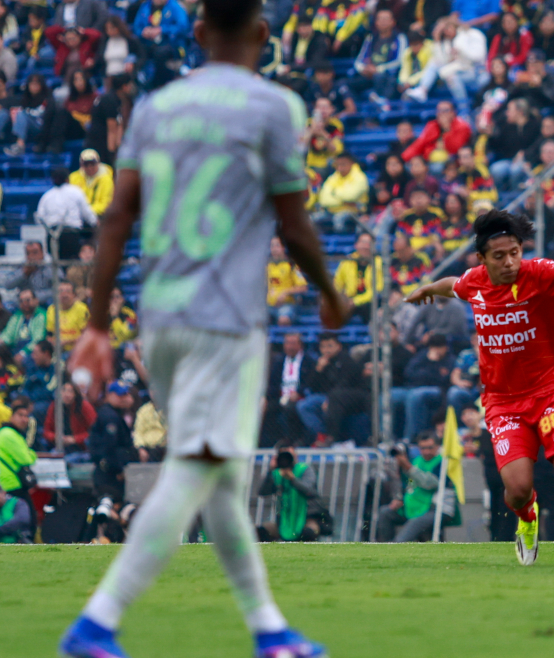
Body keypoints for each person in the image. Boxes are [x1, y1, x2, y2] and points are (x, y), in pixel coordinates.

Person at [62, 2, 349, 655]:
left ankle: (269, 630)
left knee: (220, 473)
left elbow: (115, 220)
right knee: (200, 467)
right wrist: (329, 290)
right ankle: (96, 621)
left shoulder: (156, 108)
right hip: (225, 319)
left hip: (159, 318)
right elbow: (293, 220)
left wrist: (99, 324)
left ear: (195, 33)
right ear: (263, 33)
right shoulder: (272, 106)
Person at [406, 206, 554, 568]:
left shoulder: (538, 273)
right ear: (482, 259)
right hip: (503, 402)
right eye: (499, 256)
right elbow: (453, 284)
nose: (510, 261)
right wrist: (427, 289)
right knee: (517, 490)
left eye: (515, 252)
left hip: (550, 392)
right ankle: (528, 519)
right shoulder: (474, 282)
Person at [376, 431, 459, 542]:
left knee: (414, 524)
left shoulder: (443, 462)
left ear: (438, 447)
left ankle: (395, 547)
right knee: (385, 512)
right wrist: (400, 498)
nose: (426, 451)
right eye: (423, 448)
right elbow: (411, 483)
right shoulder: (417, 461)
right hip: (414, 505)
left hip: (436, 508)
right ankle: (384, 548)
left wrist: (408, 467)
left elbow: (430, 484)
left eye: (430, 447)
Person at [257, 443, 323, 542]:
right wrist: (270, 471)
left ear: (296, 456)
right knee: (260, 531)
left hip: (307, 518)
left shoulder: (304, 469)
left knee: (309, 532)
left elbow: (310, 492)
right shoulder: (277, 473)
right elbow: (263, 492)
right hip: (283, 521)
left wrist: (293, 479)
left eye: (290, 455)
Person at [35, 166, 97, 260]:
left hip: (52, 236)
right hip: (71, 236)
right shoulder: (76, 192)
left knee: (56, 263)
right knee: (71, 264)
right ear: (67, 179)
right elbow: (87, 213)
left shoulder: (46, 196)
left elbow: (40, 217)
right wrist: (96, 223)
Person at [0, 397, 36, 517]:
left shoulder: (14, 434)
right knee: (27, 517)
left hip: (14, 483)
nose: (24, 419)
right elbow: (26, 459)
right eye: (20, 415)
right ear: (12, 417)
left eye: (26, 416)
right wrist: (32, 454)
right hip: (12, 484)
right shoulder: (8, 434)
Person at [1, 289, 48, 362]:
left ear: (36, 301)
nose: (24, 303)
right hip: (15, 348)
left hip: (32, 351)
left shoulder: (41, 315)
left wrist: (23, 353)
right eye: (21, 301)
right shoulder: (17, 315)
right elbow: (7, 335)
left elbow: (38, 339)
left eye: (28, 300)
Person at [46, 281, 89, 353]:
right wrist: (53, 343)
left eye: (68, 292)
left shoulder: (82, 309)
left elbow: (87, 336)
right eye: (61, 291)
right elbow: (49, 335)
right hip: (57, 350)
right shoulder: (52, 309)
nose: (64, 295)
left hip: (76, 350)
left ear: (74, 295)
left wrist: (67, 342)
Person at [69, 149, 114, 217]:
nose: (89, 167)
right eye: (86, 164)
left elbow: (105, 204)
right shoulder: (73, 178)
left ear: (98, 163)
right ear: (81, 165)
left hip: (99, 215)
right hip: (77, 215)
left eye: (92, 164)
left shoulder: (106, 179)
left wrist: (86, 212)